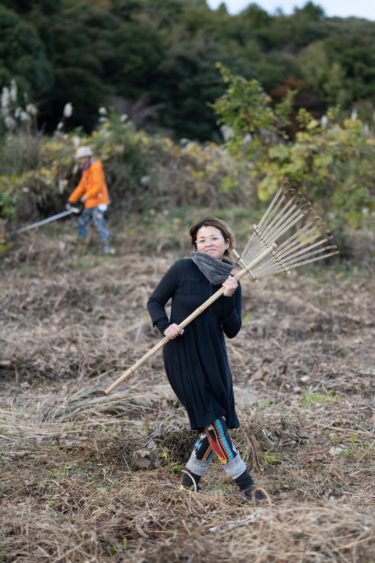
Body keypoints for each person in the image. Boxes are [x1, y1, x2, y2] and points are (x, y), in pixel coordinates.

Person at [147, 217, 264, 501]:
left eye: (213, 238)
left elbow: (232, 329)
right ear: (195, 246)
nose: (207, 243)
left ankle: (190, 478)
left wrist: (227, 296)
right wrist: (165, 325)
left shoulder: (231, 280)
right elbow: (155, 301)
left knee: (214, 419)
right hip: (182, 354)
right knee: (212, 420)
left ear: (226, 243)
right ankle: (246, 485)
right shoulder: (183, 269)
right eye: (201, 240)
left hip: (213, 358)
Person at [67, 146, 114, 255]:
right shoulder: (86, 170)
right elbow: (81, 187)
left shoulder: (96, 168)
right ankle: (83, 243)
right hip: (90, 203)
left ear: (88, 157)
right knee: (82, 222)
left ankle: (107, 247)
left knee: (99, 224)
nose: (80, 161)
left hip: (99, 202)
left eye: (82, 158)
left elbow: (98, 185)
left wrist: (85, 196)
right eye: (79, 159)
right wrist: (71, 200)